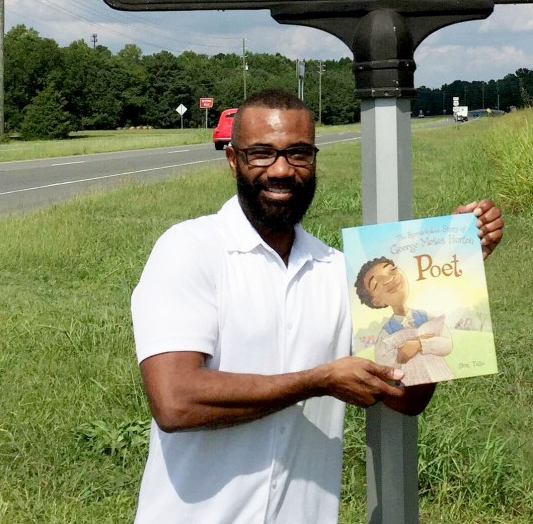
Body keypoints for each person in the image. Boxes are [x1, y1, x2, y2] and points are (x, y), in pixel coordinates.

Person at [131, 88, 504, 524]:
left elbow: (406, 396)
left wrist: (447, 265)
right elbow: (175, 402)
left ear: (314, 159)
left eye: (298, 154)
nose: (282, 170)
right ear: (233, 160)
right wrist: (317, 381)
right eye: (261, 154)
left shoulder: (336, 271)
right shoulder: (191, 249)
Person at [354, 257, 455, 385]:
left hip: (439, 377)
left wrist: (419, 345)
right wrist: (401, 353)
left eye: (392, 270)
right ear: (377, 302)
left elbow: (447, 344)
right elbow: (383, 365)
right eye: (376, 284)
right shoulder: (386, 335)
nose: (389, 279)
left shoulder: (427, 317)